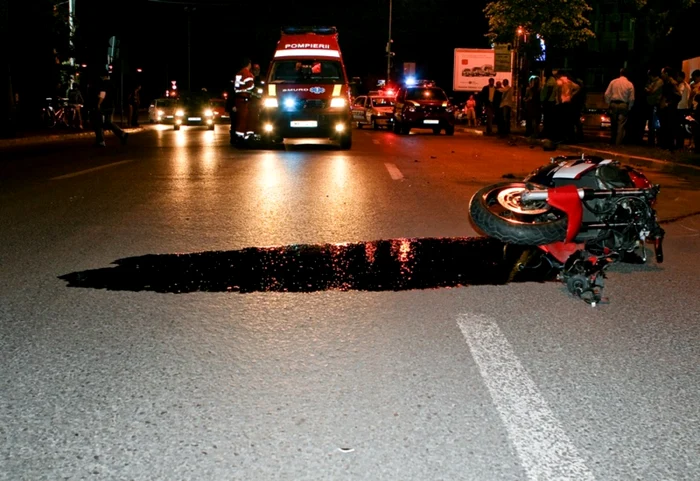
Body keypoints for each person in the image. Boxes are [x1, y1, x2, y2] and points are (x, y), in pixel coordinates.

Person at [93, 70, 128, 147]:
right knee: (108, 122)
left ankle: (101, 141)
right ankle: (122, 134)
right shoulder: (113, 84)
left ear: (103, 76)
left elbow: (103, 94)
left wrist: (98, 103)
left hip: (104, 106)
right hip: (111, 106)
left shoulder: (104, 84)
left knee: (98, 123)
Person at [604, 68, 635, 145]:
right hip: (623, 104)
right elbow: (631, 98)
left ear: (620, 73)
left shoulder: (613, 82)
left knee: (613, 124)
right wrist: (629, 107)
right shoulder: (629, 84)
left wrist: (608, 103)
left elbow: (607, 94)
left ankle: (612, 140)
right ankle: (618, 143)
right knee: (621, 125)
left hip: (613, 104)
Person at [233, 57, 255, 142]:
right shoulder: (247, 74)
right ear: (249, 64)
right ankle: (242, 136)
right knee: (245, 118)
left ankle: (239, 135)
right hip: (244, 98)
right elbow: (250, 86)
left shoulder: (239, 73)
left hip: (238, 98)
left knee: (240, 118)